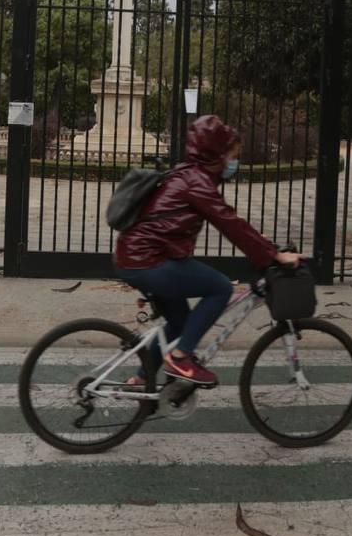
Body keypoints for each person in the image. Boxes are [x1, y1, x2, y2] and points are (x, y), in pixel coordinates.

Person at [114, 114, 302, 387]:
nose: (235, 162)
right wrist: (272, 254)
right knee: (220, 288)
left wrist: (259, 243)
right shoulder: (197, 181)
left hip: (137, 257)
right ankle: (180, 358)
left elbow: (228, 220)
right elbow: (228, 222)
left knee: (180, 322)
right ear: (218, 154)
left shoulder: (189, 174)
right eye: (233, 155)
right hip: (148, 261)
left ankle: (143, 378)